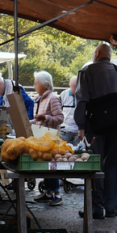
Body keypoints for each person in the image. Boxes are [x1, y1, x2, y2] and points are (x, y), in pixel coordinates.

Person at [75, 43, 117, 219]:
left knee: (94, 166)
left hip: (94, 127)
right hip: (115, 126)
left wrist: (81, 125)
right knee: (114, 167)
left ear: (97, 53)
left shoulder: (87, 72)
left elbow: (81, 100)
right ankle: (111, 208)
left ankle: (96, 209)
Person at [32, 70, 65, 206]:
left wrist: (44, 117)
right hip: (42, 137)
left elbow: (60, 118)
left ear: (45, 85)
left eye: (36, 83)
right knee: (45, 165)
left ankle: (57, 194)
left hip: (52, 138)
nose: (34, 85)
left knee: (52, 165)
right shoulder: (38, 99)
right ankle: (48, 193)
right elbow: (37, 121)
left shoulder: (52, 98)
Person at [59, 75, 79, 145]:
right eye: (73, 86)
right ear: (69, 85)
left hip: (78, 131)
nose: (75, 89)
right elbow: (58, 111)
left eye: (76, 86)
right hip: (65, 130)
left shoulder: (83, 95)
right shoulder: (63, 94)